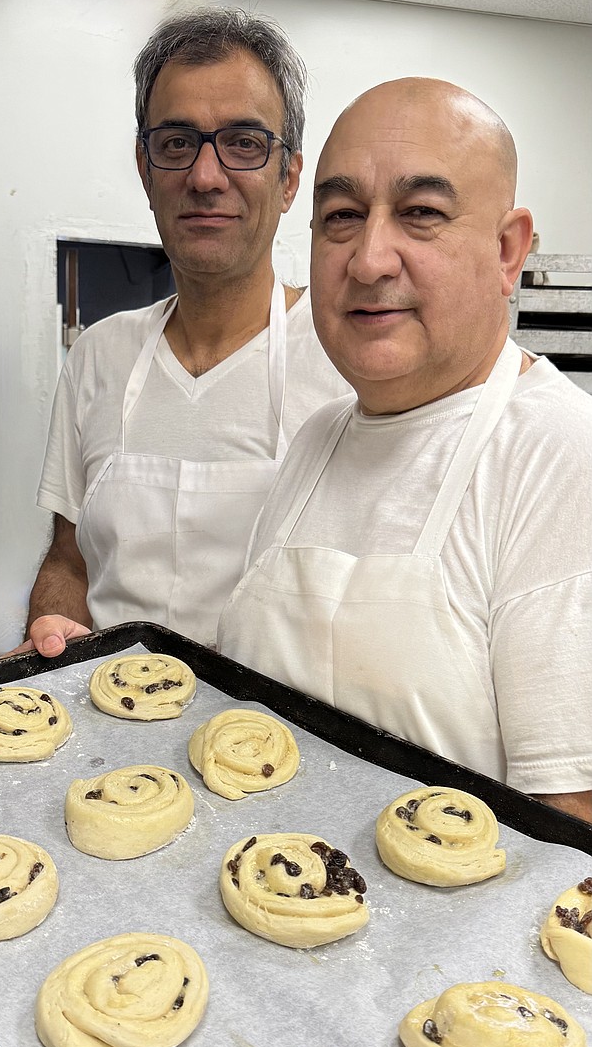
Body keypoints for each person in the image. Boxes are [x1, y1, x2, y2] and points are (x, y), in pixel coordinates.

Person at [217, 77, 592, 823]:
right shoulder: (319, 439)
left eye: (421, 214)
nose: (368, 260)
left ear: (507, 249)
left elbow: (572, 822)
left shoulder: (559, 453)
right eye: (342, 216)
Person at [17, 7, 349, 658]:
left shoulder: (347, 361)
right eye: (176, 143)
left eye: (244, 143)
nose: (204, 176)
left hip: (276, 747)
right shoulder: (97, 356)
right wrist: (51, 630)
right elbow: (69, 561)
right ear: (144, 169)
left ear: (288, 179)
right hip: (112, 729)